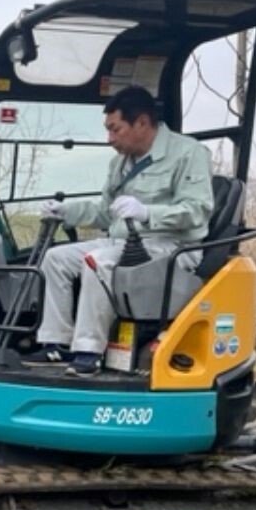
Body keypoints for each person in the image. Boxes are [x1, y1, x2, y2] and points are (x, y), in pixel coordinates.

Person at [23, 85, 215, 376]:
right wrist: (66, 212)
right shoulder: (120, 163)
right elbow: (105, 212)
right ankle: (56, 345)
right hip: (122, 242)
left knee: (98, 262)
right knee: (56, 259)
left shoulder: (189, 153)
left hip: (171, 248)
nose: (109, 139)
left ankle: (88, 352)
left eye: (115, 129)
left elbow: (198, 209)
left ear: (141, 123)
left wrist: (149, 213)